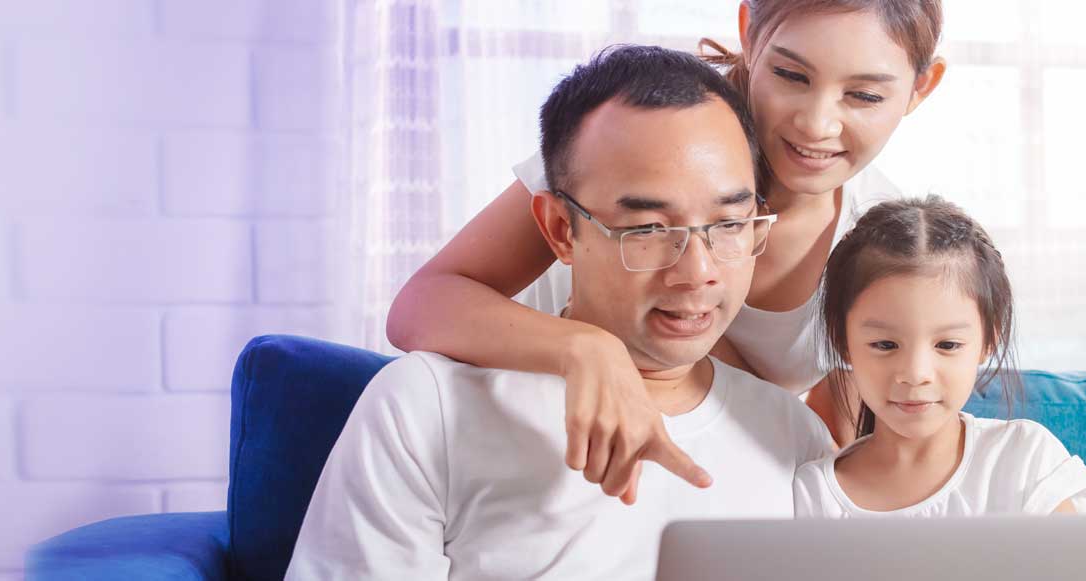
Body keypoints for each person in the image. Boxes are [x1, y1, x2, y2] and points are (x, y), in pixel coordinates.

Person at [285, 45, 833, 580]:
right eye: (646, 229)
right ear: (559, 230)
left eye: (730, 224)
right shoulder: (425, 406)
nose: (698, 272)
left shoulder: (792, 438)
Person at [385, 0, 949, 503]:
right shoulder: (642, 133)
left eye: (865, 95)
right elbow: (420, 305)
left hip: (685, 481)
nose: (816, 123)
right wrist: (586, 350)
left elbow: (826, 458)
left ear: (920, 89)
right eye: (790, 74)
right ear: (748, 33)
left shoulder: (878, 248)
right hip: (526, 438)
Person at [792, 196, 1086, 517]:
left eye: (947, 345)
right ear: (842, 340)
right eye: (885, 345)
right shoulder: (813, 494)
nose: (915, 373)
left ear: (988, 340)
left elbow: (1074, 568)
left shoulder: (1024, 460)